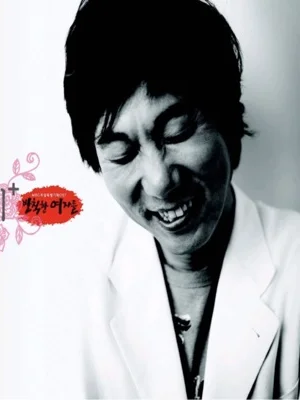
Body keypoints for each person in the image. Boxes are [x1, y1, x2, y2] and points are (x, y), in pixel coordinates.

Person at [63, 0, 300, 398]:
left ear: (228, 120)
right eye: (122, 153)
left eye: (177, 131)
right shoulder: (79, 287)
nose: (159, 181)